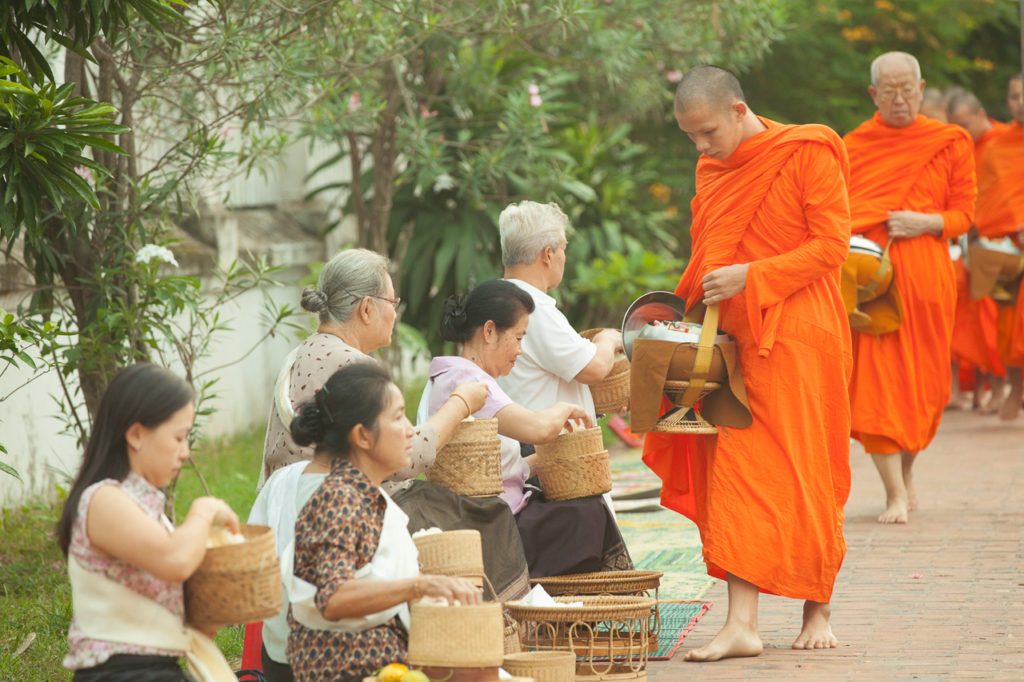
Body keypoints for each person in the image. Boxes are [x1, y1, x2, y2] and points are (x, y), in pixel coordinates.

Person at [642, 65, 853, 661]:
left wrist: (754, 275)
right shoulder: (713, 168)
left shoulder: (807, 150)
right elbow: (708, 250)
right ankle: (743, 623)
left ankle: (819, 604)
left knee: (805, 468)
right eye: (691, 137)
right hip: (733, 342)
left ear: (738, 110)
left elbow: (831, 245)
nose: (701, 147)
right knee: (735, 468)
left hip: (800, 336)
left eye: (707, 132)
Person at [254, 248, 530, 675]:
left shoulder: (303, 354)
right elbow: (410, 459)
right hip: (338, 664)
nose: (395, 314)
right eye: (393, 304)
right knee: (483, 516)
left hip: (293, 496)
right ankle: (499, 631)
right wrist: (460, 403)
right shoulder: (342, 493)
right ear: (367, 308)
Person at [285, 361, 482, 682]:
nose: (411, 429)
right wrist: (420, 585)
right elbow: (332, 598)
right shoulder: (340, 498)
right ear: (362, 436)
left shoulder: (364, 494)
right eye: (397, 417)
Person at [423, 279, 634, 577]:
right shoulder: (468, 381)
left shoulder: (458, 373)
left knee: (583, 506)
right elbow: (538, 429)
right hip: (495, 524)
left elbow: (506, 468)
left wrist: (558, 456)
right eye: (519, 338)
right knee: (589, 513)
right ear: (489, 331)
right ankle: (574, 606)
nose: (520, 350)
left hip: (502, 510)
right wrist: (565, 408)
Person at [844, 51, 976, 523]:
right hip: (870, 281)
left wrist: (925, 221)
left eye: (908, 90)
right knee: (880, 386)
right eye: (889, 91)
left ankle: (906, 470)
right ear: (873, 94)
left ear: (922, 90)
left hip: (927, 281)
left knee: (928, 390)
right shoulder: (853, 145)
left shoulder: (949, 141)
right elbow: (833, 212)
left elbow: (964, 213)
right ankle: (894, 493)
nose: (899, 100)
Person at [56, 363, 241, 681]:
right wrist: (203, 510)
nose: (185, 452)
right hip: (122, 673)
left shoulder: (145, 508)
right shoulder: (104, 499)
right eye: (179, 437)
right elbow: (175, 561)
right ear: (137, 434)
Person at [496, 201, 624, 421]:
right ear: (547, 254)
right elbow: (595, 368)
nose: (563, 257)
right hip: (542, 450)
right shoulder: (530, 307)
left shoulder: (497, 298)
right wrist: (609, 339)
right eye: (563, 248)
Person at [946, 90, 1009, 412]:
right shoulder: (962, 148)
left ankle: (1003, 392)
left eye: (964, 123)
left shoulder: (1006, 141)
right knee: (983, 322)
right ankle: (985, 391)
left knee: (1002, 322)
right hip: (978, 243)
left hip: (1009, 239)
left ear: (981, 112)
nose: (962, 131)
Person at [974, 73, 1024, 421]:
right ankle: (1016, 388)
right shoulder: (997, 148)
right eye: (1014, 96)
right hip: (1010, 249)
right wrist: (1014, 226)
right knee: (1009, 328)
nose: (1020, 102)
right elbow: (986, 202)